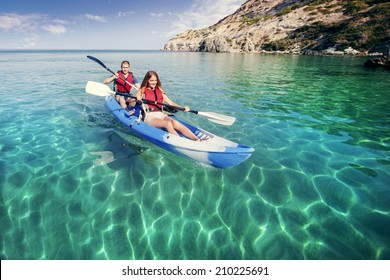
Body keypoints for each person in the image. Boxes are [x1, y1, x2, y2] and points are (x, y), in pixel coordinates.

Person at [135, 71, 202, 141]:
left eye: (155, 80)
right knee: (168, 124)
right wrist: (137, 99)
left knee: (175, 123)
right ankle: (179, 141)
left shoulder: (159, 91)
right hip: (149, 117)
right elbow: (131, 103)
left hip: (161, 115)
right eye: (151, 80)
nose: (154, 82)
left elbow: (171, 103)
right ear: (147, 80)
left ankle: (196, 139)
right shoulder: (142, 91)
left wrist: (182, 108)